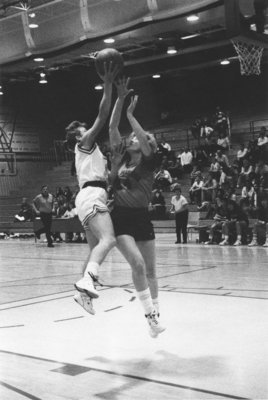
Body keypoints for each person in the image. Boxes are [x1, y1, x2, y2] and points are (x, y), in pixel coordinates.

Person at [109, 77, 165, 338]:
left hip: (142, 217)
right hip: (120, 218)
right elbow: (111, 127)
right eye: (133, 136)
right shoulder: (120, 159)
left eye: (146, 137)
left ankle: (155, 317)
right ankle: (150, 316)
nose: (137, 137)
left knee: (151, 271)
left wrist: (132, 115)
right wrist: (120, 100)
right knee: (139, 265)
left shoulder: (149, 163)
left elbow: (143, 138)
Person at [65, 61, 119, 315]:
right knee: (109, 239)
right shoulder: (84, 142)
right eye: (82, 128)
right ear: (77, 135)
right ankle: (87, 280)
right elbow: (102, 116)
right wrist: (108, 85)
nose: (87, 128)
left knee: (93, 250)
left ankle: (82, 294)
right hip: (91, 194)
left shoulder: (90, 152)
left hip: (89, 196)